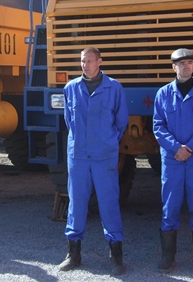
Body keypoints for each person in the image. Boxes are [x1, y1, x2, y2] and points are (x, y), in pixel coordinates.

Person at [58, 47, 129, 275]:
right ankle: (73, 254)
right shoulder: (70, 88)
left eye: (89, 61)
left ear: (100, 62)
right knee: (76, 204)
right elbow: (69, 120)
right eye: (82, 61)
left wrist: (107, 142)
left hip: (103, 157)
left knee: (109, 204)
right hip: (78, 156)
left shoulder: (114, 88)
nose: (85, 65)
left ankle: (116, 257)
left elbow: (121, 122)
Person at [153, 49, 193, 274]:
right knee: (170, 207)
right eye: (181, 63)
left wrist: (189, 148)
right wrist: (176, 148)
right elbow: (158, 126)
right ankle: (168, 257)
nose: (186, 66)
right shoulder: (163, 94)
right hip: (172, 160)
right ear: (174, 67)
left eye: (189, 62)